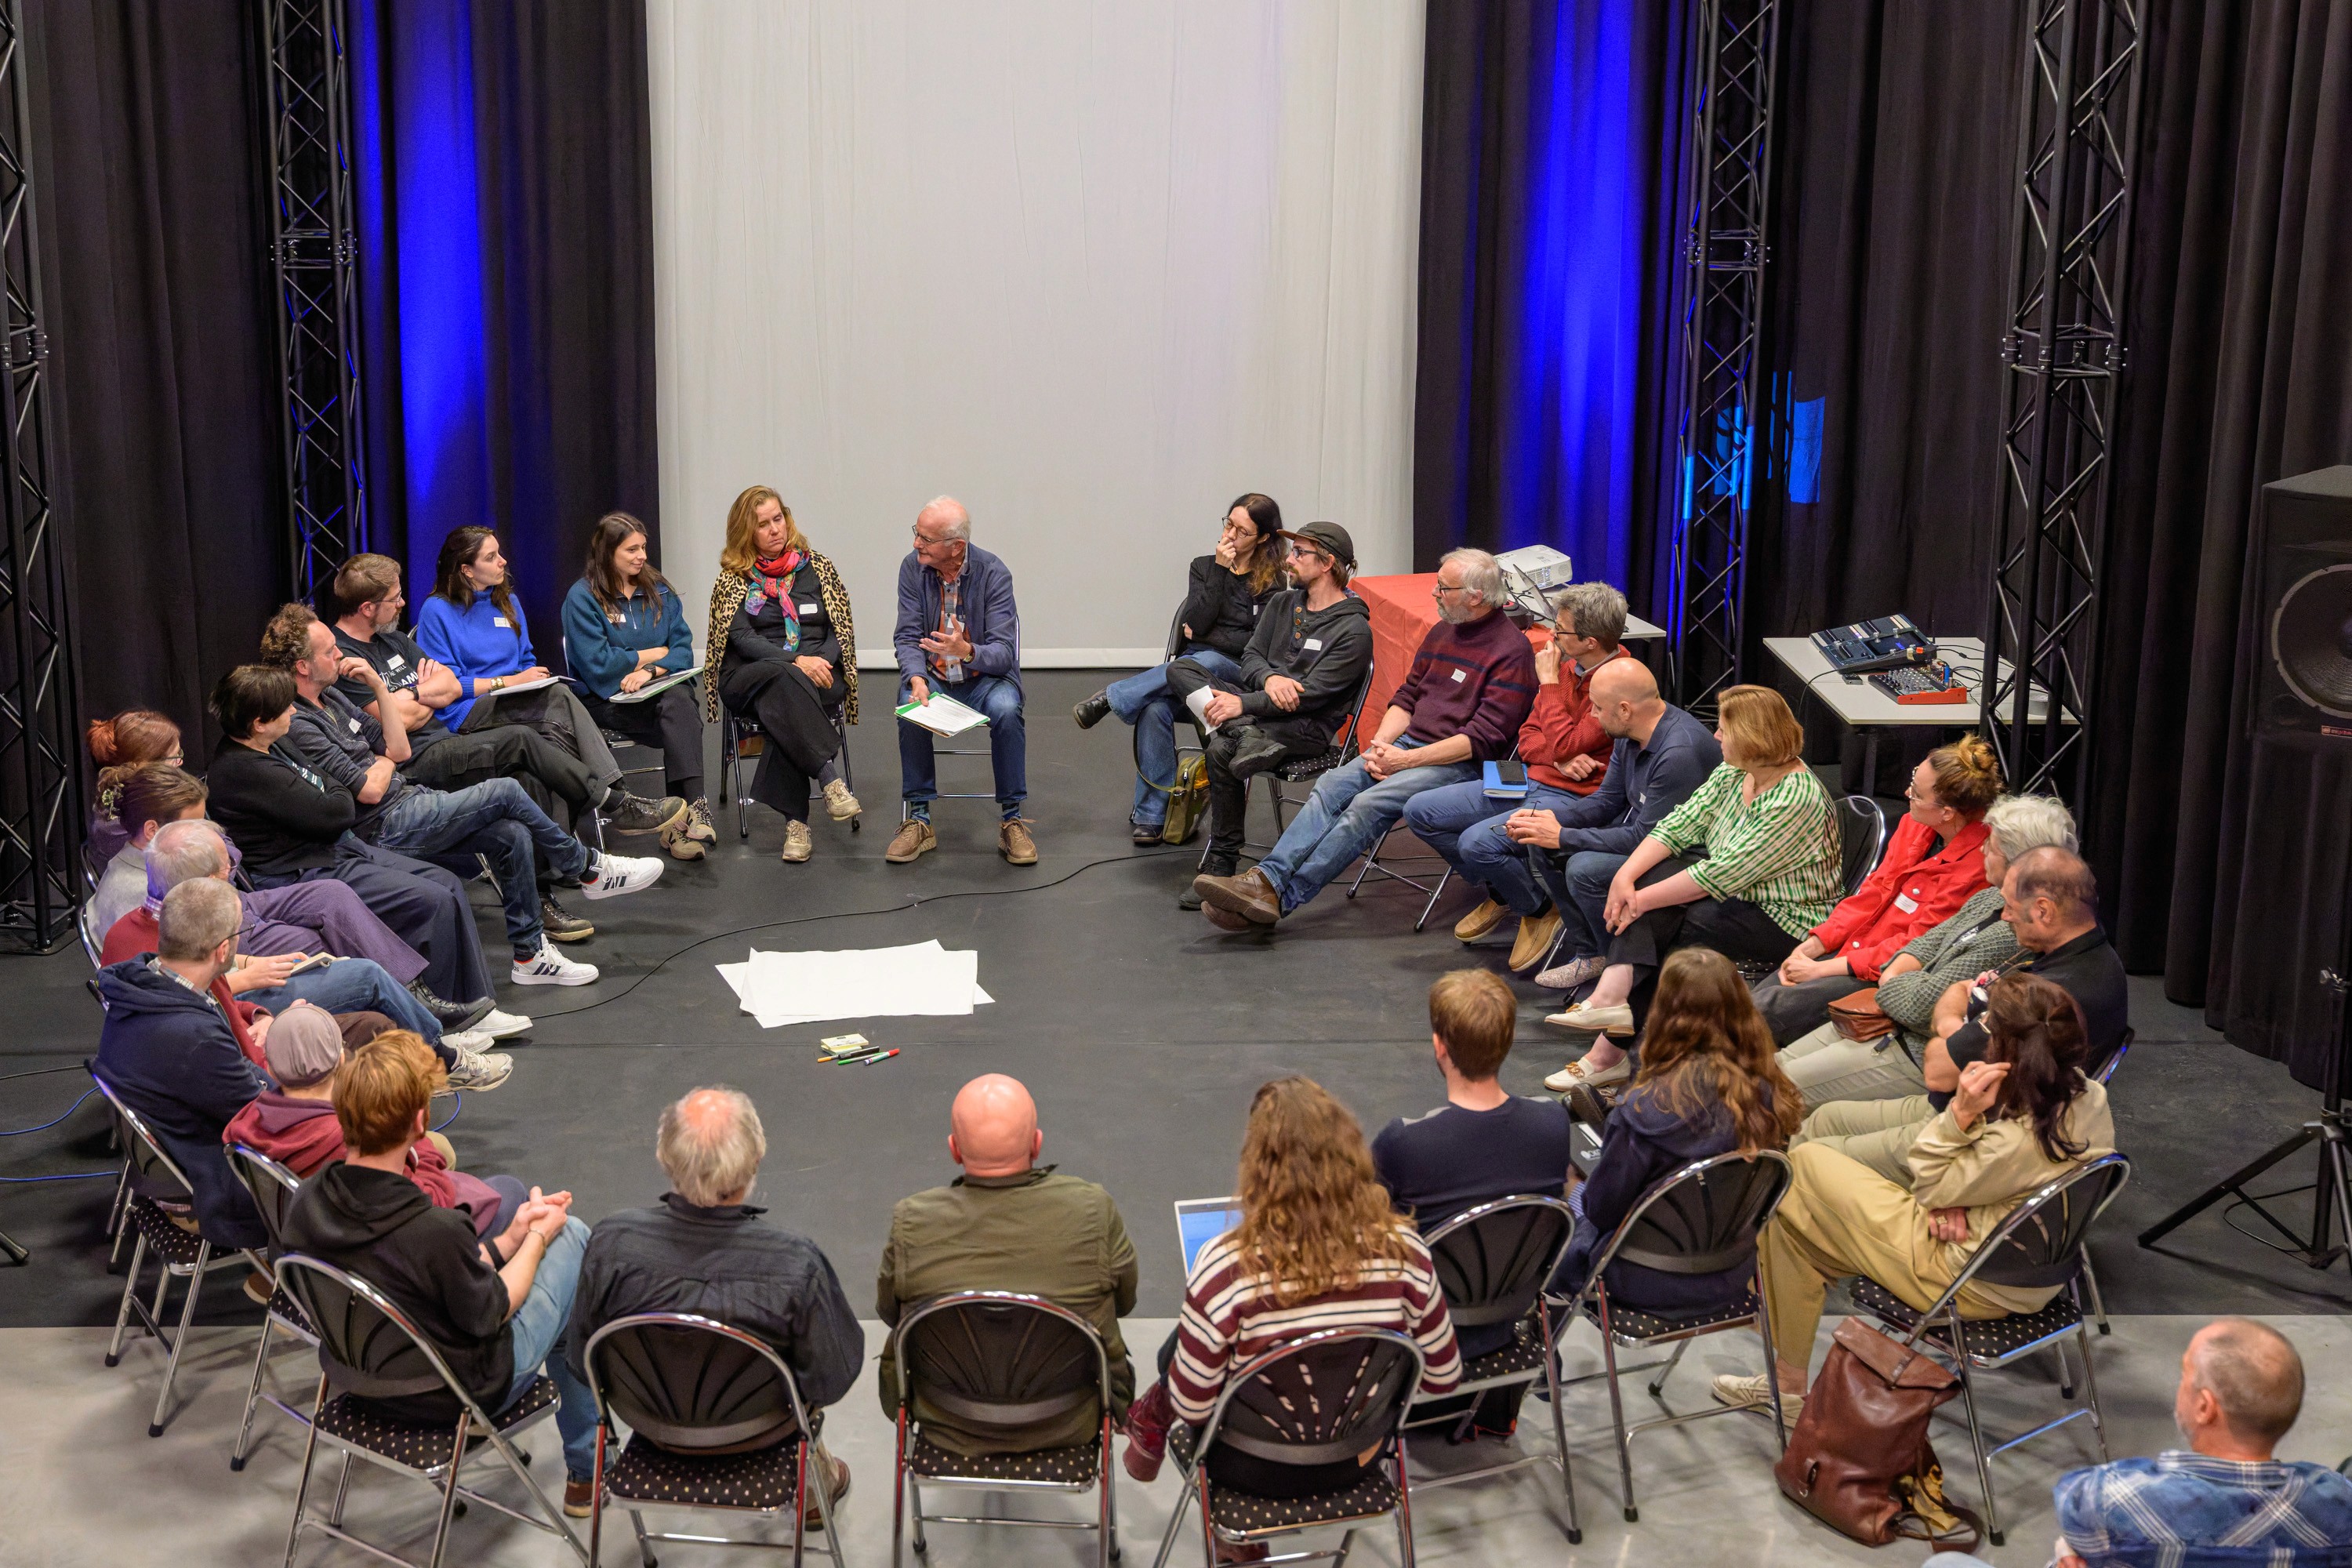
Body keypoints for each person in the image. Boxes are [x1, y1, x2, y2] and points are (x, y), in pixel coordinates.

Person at [1716, 971, 2114, 1426]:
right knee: (1798, 1231)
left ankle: (1764, 1326)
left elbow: (1927, 1176)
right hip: (2028, 1265)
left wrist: (1959, 1115)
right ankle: (1784, 1380)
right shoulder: (2089, 1096)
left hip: (1967, 1279)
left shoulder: (2008, 1143)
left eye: (1985, 1024)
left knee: (1803, 1164)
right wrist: (1957, 1197)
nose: (1978, 1030)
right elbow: (1995, 1179)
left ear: (2004, 1050)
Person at [278, 1032, 604, 1516]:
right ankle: (588, 1469)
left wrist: (512, 1237)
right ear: (420, 1123)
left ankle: (588, 1467)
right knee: (572, 1236)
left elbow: (434, 1276)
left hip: (358, 1379)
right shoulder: (431, 1228)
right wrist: (539, 1237)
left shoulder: (307, 1201)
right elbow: (492, 1310)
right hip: (452, 1395)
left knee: (556, 1287)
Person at [256, 609, 668, 986]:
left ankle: (530, 957)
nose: (340, 657)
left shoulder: (332, 696)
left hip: (406, 796)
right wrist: (383, 760)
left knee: (511, 835)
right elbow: (369, 789)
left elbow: (398, 749)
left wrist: (379, 686)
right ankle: (587, 867)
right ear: (303, 666)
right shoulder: (297, 721)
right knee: (507, 789)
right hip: (382, 825)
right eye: (329, 651)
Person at [1123, 1078, 1462, 1510]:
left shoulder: (1224, 1267)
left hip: (1249, 1466)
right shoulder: (1407, 1254)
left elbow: (1191, 1406)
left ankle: (1228, 1525)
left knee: (1190, 1347)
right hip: (1361, 1457)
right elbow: (1442, 1377)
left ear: (1256, 1167)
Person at [1192, 547, 1536, 931]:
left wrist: (1404, 761)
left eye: (1444, 588)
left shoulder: (1512, 652)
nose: (1434, 593)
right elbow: (1407, 697)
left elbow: (1482, 740)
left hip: (1459, 764)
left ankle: (1281, 899)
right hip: (1406, 747)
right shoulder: (1443, 631)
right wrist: (1380, 747)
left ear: (1475, 597)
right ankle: (1265, 880)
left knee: (1367, 804)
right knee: (1332, 785)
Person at [568, 1088, 862, 1517]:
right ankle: (813, 1496)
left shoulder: (611, 1245)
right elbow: (829, 1381)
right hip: (763, 1431)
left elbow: (582, 1363)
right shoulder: (795, 1264)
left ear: (665, 1158)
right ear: (756, 1159)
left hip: (650, 1427)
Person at [331, 553, 661, 934]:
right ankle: (613, 807)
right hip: (414, 763)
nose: (404, 603)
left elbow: (450, 686)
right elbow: (398, 724)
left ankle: (542, 900)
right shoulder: (345, 658)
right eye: (395, 598)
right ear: (367, 608)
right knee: (520, 738)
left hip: (444, 741)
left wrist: (411, 697)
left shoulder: (391, 641)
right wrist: (422, 697)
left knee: (527, 776)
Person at [1543, 684, 1841, 1094]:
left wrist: (1636, 901)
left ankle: (1612, 1036)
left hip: (1788, 918)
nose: (1715, 737)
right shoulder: (1737, 772)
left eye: (1723, 730)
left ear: (1752, 739)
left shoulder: (1795, 798)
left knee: (1670, 928)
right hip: (1739, 897)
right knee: (1653, 888)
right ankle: (1616, 1022)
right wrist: (1625, 877)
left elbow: (1720, 874)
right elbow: (1680, 824)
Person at [1792, 845, 2129, 1178]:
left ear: (2044, 910)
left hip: (1973, 1137)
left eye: (2011, 907)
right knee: (1821, 1120)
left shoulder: (2048, 993)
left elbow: (1939, 1070)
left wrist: (1950, 1016)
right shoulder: (2088, 958)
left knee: (1804, 1154)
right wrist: (1960, 1015)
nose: (2005, 916)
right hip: (1962, 1109)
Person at [100, 818, 513, 1083]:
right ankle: (445, 1059)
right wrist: (254, 999)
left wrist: (254, 1002)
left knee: (333, 908)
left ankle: (419, 1019)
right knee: (366, 974)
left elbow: (207, 992)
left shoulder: (134, 928)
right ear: (208, 883)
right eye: (227, 870)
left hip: (242, 1000)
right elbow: (208, 1011)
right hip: (246, 1035)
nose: (232, 873)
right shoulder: (179, 942)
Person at [93, 771, 500, 1037]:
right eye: (195, 824)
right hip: (228, 943)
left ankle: (415, 996)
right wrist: (246, 973)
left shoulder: (171, 856)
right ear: (154, 829)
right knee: (315, 942)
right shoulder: (130, 896)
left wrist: (218, 869)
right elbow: (175, 989)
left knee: (331, 894)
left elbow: (228, 858)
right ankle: (425, 1029)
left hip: (238, 910)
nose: (205, 831)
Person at [205, 664, 504, 1012]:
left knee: (447, 882)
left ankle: (475, 1004)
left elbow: (334, 791)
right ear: (259, 723)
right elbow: (338, 811)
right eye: (285, 707)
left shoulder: (278, 743)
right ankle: (440, 1013)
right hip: (303, 870)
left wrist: (336, 790)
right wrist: (341, 787)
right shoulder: (243, 770)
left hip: (338, 850)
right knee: (432, 900)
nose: (293, 711)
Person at [875, 1074, 1138, 1455]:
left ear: (954, 1149)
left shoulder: (911, 1222)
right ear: (1036, 1144)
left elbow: (889, 1312)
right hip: (1073, 1418)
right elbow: (1125, 1302)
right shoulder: (1093, 1211)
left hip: (945, 1418)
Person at [1774, 794, 2078, 1112]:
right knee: (1768, 1068)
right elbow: (1918, 947)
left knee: (1769, 1090)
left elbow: (1921, 1007)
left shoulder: (2012, 933)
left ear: (2020, 863)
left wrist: (1894, 980)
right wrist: (1903, 976)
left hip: (1913, 1055)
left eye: (1992, 846)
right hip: (1882, 1025)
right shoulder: (1990, 898)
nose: (1983, 850)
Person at [1370, 969, 1573, 1433]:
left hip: (1425, 1339)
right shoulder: (1552, 1125)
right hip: (1509, 1320)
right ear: (1508, 1041)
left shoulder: (1406, 1142)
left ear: (1439, 1047)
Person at [1549, 949, 1802, 1316]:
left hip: (1636, 1276)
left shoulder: (1645, 1108)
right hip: (1729, 1270)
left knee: (1555, 1178)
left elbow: (1602, 1212)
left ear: (1664, 1010)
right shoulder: (1772, 1095)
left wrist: (1574, 1187)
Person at [1403, 582, 1636, 972]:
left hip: (1573, 796)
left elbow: (1567, 742)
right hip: (1531, 776)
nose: (1553, 636)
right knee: (1420, 811)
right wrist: (1559, 758)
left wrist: (1549, 687)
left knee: (1477, 843)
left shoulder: (1617, 683)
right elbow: (1528, 737)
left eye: (1560, 629)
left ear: (1590, 642)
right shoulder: (1568, 667)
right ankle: (1512, 893)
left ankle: (1538, 909)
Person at [413, 528, 684, 837]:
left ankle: (563, 842)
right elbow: (448, 687)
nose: (502, 561)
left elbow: (525, 660)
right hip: (467, 711)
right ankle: (620, 803)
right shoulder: (437, 610)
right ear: (466, 570)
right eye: (491, 557)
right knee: (559, 698)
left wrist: (531, 680)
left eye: (499, 553)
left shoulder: (507, 601)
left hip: (518, 701)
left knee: (554, 733)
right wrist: (509, 682)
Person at [1165, 520, 1374, 909]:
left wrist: (1243, 704)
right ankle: (1244, 733)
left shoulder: (1354, 631)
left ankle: (1222, 858)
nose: (1289, 560)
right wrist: (1270, 678)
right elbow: (1250, 657)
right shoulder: (1282, 604)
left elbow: (1311, 696)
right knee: (1181, 669)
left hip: (1305, 728)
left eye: (1300, 553)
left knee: (1220, 748)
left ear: (1327, 563)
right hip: (1260, 715)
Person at [1749, 738, 2002, 1043]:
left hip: (1885, 975)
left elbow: (1917, 945)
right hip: (1856, 948)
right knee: (1756, 998)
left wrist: (1822, 970)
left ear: (1947, 813)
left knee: (1763, 1012)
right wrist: (1817, 942)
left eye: (1917, 793)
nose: (1907, 794)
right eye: (1912, 780)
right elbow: (1873, 892)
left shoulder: (1977, 868)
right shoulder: (1915, 824)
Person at [2046, 1319, 2352, 1567]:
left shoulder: (2104, 1498)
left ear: (2205, 1407)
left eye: (2185, 1372)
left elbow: (2074, 1536)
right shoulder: (2339, 1505)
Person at [1073, 494, 1288, 844]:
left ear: (1263, 538)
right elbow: (1197, 620)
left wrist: (1206, 636)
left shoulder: (1273, 582)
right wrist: (1220, 572)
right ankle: (1152, 816)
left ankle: (1111, 698)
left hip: (1236, 678)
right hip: (1189, 675)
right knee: (1154, 708)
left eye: (1242, 531)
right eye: (1229, 524)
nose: (1230, 535)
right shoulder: (1203, 567)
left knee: (1208, 659)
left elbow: (1254, 645)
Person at [1505, 659, 1724, 989]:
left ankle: (1621, 971)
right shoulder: (1630, 732)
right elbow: (1607, 801)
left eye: (1597, 707)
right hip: (1645, 837)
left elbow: (1647, 839)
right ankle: (1590, 953)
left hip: (1689, 855)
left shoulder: (1679, 753)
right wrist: (1549, 822)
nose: (1593, 715)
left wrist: (1562, 836)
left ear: (1624, 710)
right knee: (1541, 844)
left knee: (1584, 869)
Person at [224, 1013, 526, 1240]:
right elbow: (422, 1204)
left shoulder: (248, 1123)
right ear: (341, 1059)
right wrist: (409, 1135)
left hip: (312, 1243)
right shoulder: (349, 1138)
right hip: (392, 1245)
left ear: (271, 1068)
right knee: (509, 1191)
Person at [94, 878, 275, 1250]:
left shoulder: (136, 988)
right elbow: (266, 1115)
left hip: (172, 1168)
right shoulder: (194, 1036)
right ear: (223, 949)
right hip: (219, 1187)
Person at [705, 486, 862, 864]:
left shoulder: (818, 568)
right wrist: (796, 662)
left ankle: (797, 823)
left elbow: (838, 631)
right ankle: (828, 776)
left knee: (784, 704)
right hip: (750, 676)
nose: (775, 529)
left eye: (778, 518)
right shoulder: (733, 578)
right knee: (784, 681)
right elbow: (742, 639)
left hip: (817, 675)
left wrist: (818, 662)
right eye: (763, 524)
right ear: (746, 532)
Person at [887, 495, 1034, 866]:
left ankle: (1012, 819)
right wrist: (916, 677)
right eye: (916, 533)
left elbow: (1004, 653)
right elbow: (907, 637)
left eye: (926, 539)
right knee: (910, 704)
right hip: (934, 677)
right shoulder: (912, 569)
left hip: (985, 680)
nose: (916, 544)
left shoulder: (993, 573)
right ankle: (918, 818)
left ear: (956, 547)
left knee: (1007, 708)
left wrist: (967, 651)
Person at [559, 513, 715, 860]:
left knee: (678, 701)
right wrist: (651, 654)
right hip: (608, 703)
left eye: (643, 547)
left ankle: (688, 814)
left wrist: (652, 670)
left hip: (657, 696)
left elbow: (682, 650)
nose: (642, 556)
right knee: (680, 715)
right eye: (631, 550)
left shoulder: (658, 589)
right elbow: (598, 664)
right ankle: (687, 818)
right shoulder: (582, 598)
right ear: (607, 552)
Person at [85, 707, 187, 865]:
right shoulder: (138, 810)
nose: (180, 762)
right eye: (175, 756)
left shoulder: (118, 792)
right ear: (148, 765)